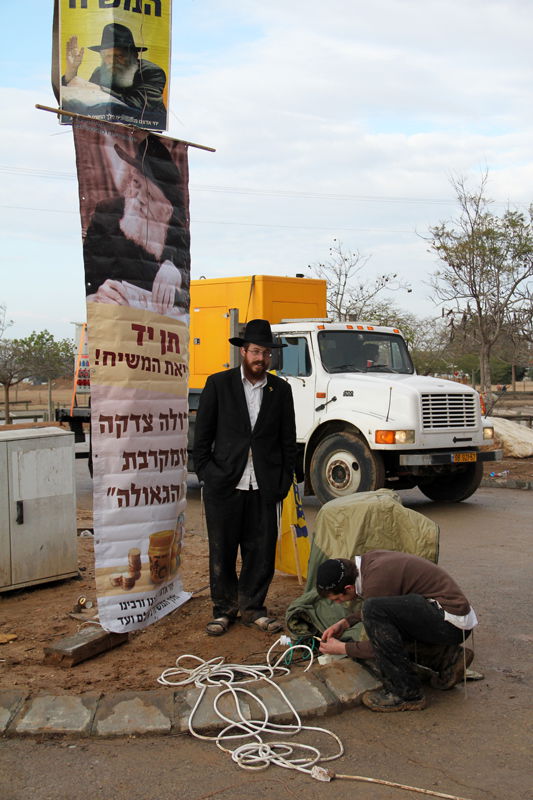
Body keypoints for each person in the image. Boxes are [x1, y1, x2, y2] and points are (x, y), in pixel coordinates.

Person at [193, 319, 297, 636]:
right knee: (222, 549)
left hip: (264, 486)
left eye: (266, 353)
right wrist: (208, 475)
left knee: (261, 551)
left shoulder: (280, 390)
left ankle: (253, 609)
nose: (260, 358)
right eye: (255, 351)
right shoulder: (218, 384)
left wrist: (282, 482)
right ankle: (224, 610)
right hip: (225, 483)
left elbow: (287, 441)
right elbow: (201, 440)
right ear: (243, 352)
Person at [317, 551, 477, 712]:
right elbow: (389, 603)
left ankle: (406, 694)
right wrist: (345, 623)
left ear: (348, 588)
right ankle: (449, 659)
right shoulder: (368, 565)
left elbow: (379, 646)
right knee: (379, 614)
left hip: (451, 624)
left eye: (337, 599)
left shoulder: (376, 581)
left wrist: (341, 648)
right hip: (449, 615)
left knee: (376, 616)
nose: (338, 603)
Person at [84, 133, 190, 318]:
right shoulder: (107, 213)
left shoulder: (177, 228)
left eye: (150, 196)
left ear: (166, 208)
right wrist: (98, 293)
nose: (139, 198)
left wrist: (175, 271)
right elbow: (90, 275)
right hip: (115, 323)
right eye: (136, 183)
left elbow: (186, 284)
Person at [62, 23, 166, 128]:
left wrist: (99, 90)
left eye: (119, 56)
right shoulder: (99, 72)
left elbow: (140, 105)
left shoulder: (152, 72)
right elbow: (85, 100)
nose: (112, 61)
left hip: (144, 132)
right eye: (108, 56)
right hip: (108, 131)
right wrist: (71, 73)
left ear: (134, 55)